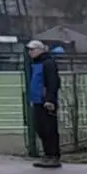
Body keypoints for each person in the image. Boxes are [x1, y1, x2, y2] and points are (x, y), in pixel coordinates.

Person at [26, 39, 61, 167]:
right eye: (29, 50)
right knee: (40, 128)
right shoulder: (35, 63)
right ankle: (47, 155)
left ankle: (54, 156)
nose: (30, 52)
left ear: (40, 50)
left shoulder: (48, 63)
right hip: (37, 101)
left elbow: (53, 82)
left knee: (49, 129)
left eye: (32, 49)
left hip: (46, 101)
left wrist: (50, 99)